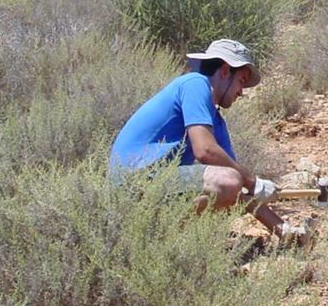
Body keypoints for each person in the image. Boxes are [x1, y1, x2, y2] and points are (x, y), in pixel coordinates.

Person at [108, 38, 308, 245]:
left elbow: (236, 188)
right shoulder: (194, 83)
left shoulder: (215, 120)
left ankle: (151, 234)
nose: (242, 91)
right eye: (241, 81)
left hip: (155, 185)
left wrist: (283, 228)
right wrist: (253, 181)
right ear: (224, 71)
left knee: (229, 185)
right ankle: (154, 235)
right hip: (132, 181)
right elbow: (205, 151)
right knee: (227, 181)